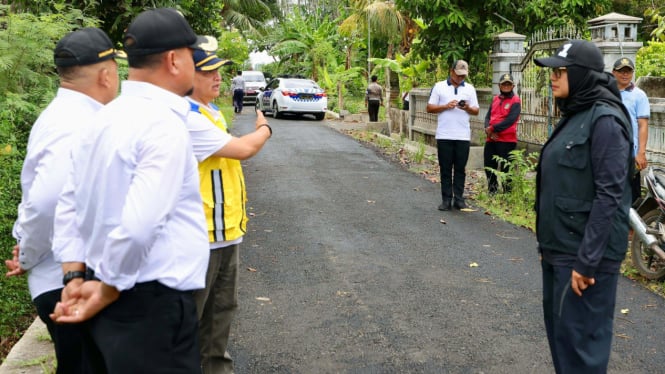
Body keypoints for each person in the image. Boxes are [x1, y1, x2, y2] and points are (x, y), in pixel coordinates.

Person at [49, 8, 210, 373]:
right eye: (191, 55)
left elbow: (68, 204)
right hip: (149, 305)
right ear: (173, 60)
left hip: (101, 290)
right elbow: (140, 225)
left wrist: (74, 277)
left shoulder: (101, 119)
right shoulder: (163, 126)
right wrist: (107, 289)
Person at [4, 27, 121, 374]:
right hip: (68, 283)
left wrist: (28, 248)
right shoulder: (77, 123)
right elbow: (48, 201)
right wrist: (28, 252)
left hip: (65, 278)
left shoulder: (61, 115)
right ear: (105, 74)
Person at [534, 40, 632, 374]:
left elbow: (610, 196)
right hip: (562, 251)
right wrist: (547, 245)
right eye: (553, 71)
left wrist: (587, 262)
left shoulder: (605, 121)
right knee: (564, 347)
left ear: (580, 75)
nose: (553, 77)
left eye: (560, 71)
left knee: (581, 356)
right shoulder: (577, 113)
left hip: (584, 260)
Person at [187, 47, 272, 374]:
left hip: (225, 232)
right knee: (193, 318)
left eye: (218, 71)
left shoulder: (208, 112)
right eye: (207, 72)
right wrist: (264, 128)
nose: (217, 77)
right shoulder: (189, 117)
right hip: (202, 236)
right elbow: (244, 149)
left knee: (221, 313)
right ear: (184, 74)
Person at [426, 59, 479, 210]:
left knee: (460, 168)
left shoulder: (469, 88)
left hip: (463, 135)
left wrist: (467, 107)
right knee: (445, 168)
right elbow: (429, 107)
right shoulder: (439, 87)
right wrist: (445, 106)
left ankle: (459, 199)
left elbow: (476, 111)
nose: (460, 78)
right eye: (458, 75)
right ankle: (446, 199)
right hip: (444, 135)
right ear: (451, 71)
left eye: (463, 76)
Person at [612, 57, 650, 204]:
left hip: (630, 156)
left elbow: (643, 125)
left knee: (631, 201)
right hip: (608, 154)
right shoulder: (608, 93)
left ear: (632, 73)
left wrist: (641, 153)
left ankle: (630, 228)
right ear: (613, 72)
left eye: (628, 71)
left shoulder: (639, 95)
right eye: (621, 71)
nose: (625, 74)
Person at [483, 73, 521, 194]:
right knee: (489, 165)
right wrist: (487, 130)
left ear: (513, 86)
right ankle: (492, 191)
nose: (506, 86)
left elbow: (510, 120)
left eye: (508, 84)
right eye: (503, 84)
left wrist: (493, 128)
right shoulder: (495, 99)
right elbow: (488, 117)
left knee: (506, 168)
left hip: (507, 141)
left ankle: (507, 193)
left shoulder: (515, 100)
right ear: (499, 85)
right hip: (491, 139)